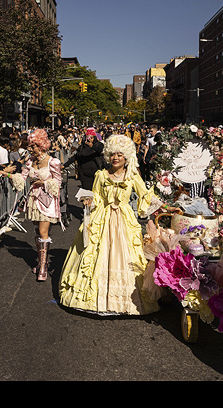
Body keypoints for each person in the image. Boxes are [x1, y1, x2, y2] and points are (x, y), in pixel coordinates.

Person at [59, 134, 176, 316]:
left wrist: (168, 206)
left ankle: (124, 301)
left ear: (126, 157)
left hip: (124, 220)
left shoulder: (132, 176)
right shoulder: (101, 175)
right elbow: (96, 196)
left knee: (128, 256)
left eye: (120, 155)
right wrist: (89, 200)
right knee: (95, 254)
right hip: (102, 219)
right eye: (113, 154)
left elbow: (146, 196)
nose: (115, 158)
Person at [7, 128, 62, 281]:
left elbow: (58, 182)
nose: (30, 149)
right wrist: (8, 175)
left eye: (33, 146)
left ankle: (43, 268)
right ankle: (40, 262)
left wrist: (44, 183)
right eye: (30, 146)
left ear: (41, 145)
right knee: (37, 233)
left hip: (46, 201)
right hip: (33, 200)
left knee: (44, 233)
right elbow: (22, 178)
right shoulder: (30, 161)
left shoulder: (53, 162)